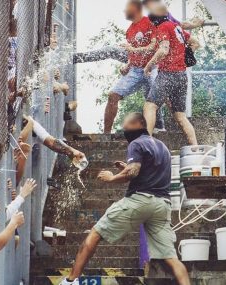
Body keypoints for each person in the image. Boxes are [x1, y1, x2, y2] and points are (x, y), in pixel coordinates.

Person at [60, 113, 190, 285]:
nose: (124, 128)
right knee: (171, 257)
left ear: (138, 123)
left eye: (126, 124)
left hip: (140, 201)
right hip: (162, 205)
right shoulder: (162, 146)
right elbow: (146, 171)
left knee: (95, 234)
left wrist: (112, 177)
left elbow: (133, 172)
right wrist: (126, 167)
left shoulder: (136, 143)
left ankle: (71, 281)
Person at [143, 5, 199, 145]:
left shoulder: (163, 27)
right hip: (181, 75)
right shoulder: (177, 28)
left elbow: (163, 50)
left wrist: (148, 65)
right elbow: (196, 43)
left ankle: (146, 144)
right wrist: (184, 57)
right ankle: (196, 148)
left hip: (168, 74)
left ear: (154, 21)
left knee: (150, 106)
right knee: (180, 116)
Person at [102, 0, 160, 133]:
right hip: (136, 70)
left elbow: (153, 46)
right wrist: (127, 65)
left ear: (135, 8)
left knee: (158, 98)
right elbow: (132, 53)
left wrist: (132, 49)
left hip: (152, 68)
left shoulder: (149, 23)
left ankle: (163, 127)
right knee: (113, 95)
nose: (124, 11)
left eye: (127, 8)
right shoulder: (129, 31)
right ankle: (106, 134)